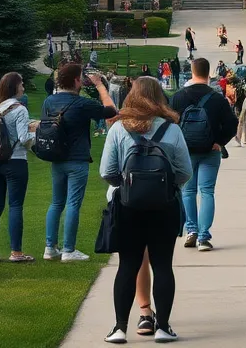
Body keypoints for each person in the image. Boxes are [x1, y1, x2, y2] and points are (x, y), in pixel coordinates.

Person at [99, 76, 192, 344]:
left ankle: (119, 327)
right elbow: (185, 170)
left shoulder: (119, 129)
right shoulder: (171, 129)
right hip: (164, 206)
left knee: (128, 265)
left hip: (127, 207)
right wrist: (165, 187)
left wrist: (128, 187)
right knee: (162, 265)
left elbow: (107, 171)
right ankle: (162, 326)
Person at [40, 63, 118, 262]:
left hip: (56, 156)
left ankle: (50, 247)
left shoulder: (49, 101)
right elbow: (111, 111)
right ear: (76, 80)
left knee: (56, 202)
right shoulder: (82, 103)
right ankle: (69, 249)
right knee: (73, 203)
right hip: (77, 158)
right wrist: (99, 85)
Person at [171, 57, 238, 251]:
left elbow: (169, 123)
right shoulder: (217, 98)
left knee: (188, 191)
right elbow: (232, 124)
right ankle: (203, 236)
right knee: (207, 191)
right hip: (210, 150)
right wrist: (220, 141)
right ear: (209, 74)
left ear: (192, 72)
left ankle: (191, 229)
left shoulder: (178, 97)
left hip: (186, 151)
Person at [0, 72, 36, 263]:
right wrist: (36, 133)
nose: (23, 88)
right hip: (15, 161)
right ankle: (16, 252)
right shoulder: (19, 109)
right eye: (21, 84)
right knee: (15, 205)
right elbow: (24, 139)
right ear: (14, 87)